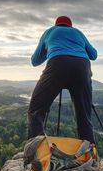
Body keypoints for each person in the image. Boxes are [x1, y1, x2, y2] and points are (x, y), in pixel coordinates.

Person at [27, 15, 98, 144]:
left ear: (56, 24)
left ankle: (38, 151)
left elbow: (35, 61)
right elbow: (93, 55)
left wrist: (49, 50)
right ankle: (89, 153)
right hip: (82, 67)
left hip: (57, 64)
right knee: (84, 116)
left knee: (35, 111)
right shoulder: (78, 33)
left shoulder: (49, 32)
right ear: (70, 26)